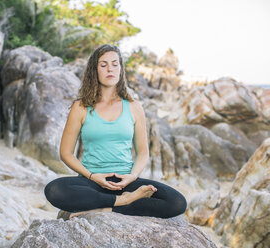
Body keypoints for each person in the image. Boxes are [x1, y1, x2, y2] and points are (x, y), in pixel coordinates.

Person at [44, 44, 186, 220]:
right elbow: (66, 153)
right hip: (91, 181)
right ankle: (121, 202)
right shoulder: (80, 107)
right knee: (54, 190)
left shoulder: (134, 107)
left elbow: (143, 153)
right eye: (103, 65)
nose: (110, 69)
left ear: (121, 69)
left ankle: (105, 208)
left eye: (114, 64)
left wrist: (132, 177)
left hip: (125, 181)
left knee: (177, 202)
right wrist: (92, 176)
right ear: (94, 71)